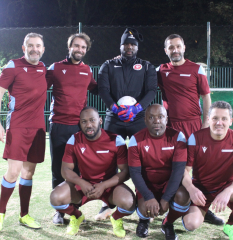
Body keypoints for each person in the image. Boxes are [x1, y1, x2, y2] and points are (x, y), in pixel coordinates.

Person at [156, 34, 223, 225]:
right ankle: (177, 204)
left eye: (178, 46)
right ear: (166, 50)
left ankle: (203, 208)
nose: (175, 50)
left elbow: (206, 97)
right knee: (175, 167)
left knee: (198, 168)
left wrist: (205, 124)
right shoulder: (161, 70)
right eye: (171, 47)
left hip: (194, 124)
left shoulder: (196, 69)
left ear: (184, 47)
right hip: (171, 127)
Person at [97, 27, 157, 220]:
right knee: (109, 160)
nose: (129, 47)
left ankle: (144, 198)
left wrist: (137, 108)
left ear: (137, 47)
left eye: (132, 44)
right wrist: (115, 109)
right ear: (120, 46)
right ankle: (108, 203)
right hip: (114, 118)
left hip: (138, 118)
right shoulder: (108, 65)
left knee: (144, 158)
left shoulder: (147, 66)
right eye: (126, 44)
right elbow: (104, 90)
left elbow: (151, 90)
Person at [50, 107, 136, 237]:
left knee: (129, 203)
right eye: (84, 121)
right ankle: (77, 216)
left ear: (100, 120)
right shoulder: (74, 139)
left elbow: (125, 171)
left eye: (92, 120)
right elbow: (65, 170)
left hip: (109, 186)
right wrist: (81, 182)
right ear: (80, 123)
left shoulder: (116, 140)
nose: (88, 125)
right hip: (84, 184)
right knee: (55, 198)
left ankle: (116, 218)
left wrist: (104, 185)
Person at [46, 33, 98, 225]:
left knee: (77, 170)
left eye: (83, 47)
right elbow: (38, 88)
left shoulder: (87, 70)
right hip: (59, 125)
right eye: (77, 46)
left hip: (79, 128)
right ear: (70, 47)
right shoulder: (56, 67)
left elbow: (96, 88)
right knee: (57, 169)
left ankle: (73, 209)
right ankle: (58, 210)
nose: (80, 50)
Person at [0, 33, 46, 230]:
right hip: (17, 126)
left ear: (43, 49)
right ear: (23, 47)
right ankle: (1, 213)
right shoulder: (12, 66)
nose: (34, 49)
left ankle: (24, 215)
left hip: (38, 128)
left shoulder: (44, 68)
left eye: (38, 46)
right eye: (30, 45)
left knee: (28, 173)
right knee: (13, 172)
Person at [177, 101, 233, 240]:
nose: (219, 122)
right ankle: (199, 212)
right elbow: (184, 171)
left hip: (225, 188)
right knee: (190, 225)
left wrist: (228, 191)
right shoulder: (195, 138)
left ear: (230, 121)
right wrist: (191, 188)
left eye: (224, 119)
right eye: (215, 118)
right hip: (201, 190)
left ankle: (231, 224)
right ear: (208, 119)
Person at [128, 104, 189, 240]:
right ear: (145, 120)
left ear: (166, 119)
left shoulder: (178, 137)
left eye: (160, 117)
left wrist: (166, 198)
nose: (156, 121)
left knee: (183, 196)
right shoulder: (135, 140)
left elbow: (177, 172)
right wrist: (149, 196)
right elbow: (135, 173)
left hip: (169, 184)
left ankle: (168, 223)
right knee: (145, 209)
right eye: (151, 117)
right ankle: (144, 221)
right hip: (147, 185)